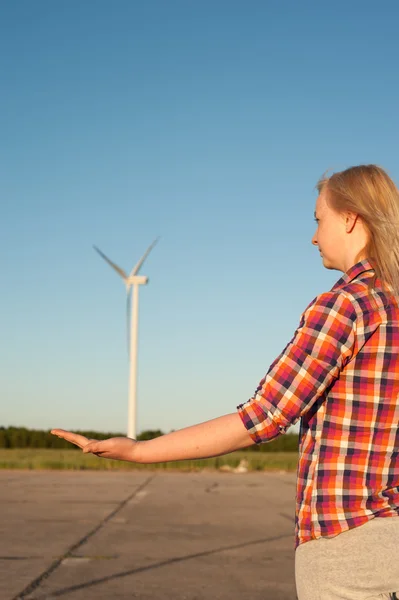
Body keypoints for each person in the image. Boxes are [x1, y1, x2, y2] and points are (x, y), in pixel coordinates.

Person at [52, 164, 399, 600]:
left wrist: (140, 451)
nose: (313, 236)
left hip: (346, 544)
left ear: (349, 218)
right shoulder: (392, 305)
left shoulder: (346, 305)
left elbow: (266, 416)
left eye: (318, 219)